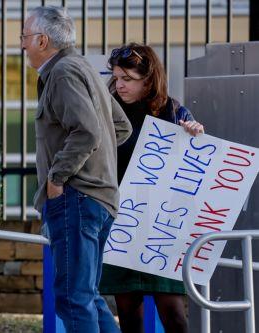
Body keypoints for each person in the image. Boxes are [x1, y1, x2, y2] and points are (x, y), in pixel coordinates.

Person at [22, 6, 133, 332]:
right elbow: (120, 127)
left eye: (25, 38)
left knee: (73, 297)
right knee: (87, 296)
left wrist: (58, 178)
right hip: (96, 199)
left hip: (76, 198)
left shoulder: (64, 72)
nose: (23, 45)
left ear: (42, 40)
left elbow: (88, 132)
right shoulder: (80, 66)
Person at [99, 43, 204, 333]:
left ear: (148, 79)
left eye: (127, 79)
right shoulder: (107, 109)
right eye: (116, 77)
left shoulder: (172, 110)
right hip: (123, 221)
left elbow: (195, 157)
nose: (119, 85)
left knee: (173, 312)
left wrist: (194, 134)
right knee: (128, 311)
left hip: (162, 226)